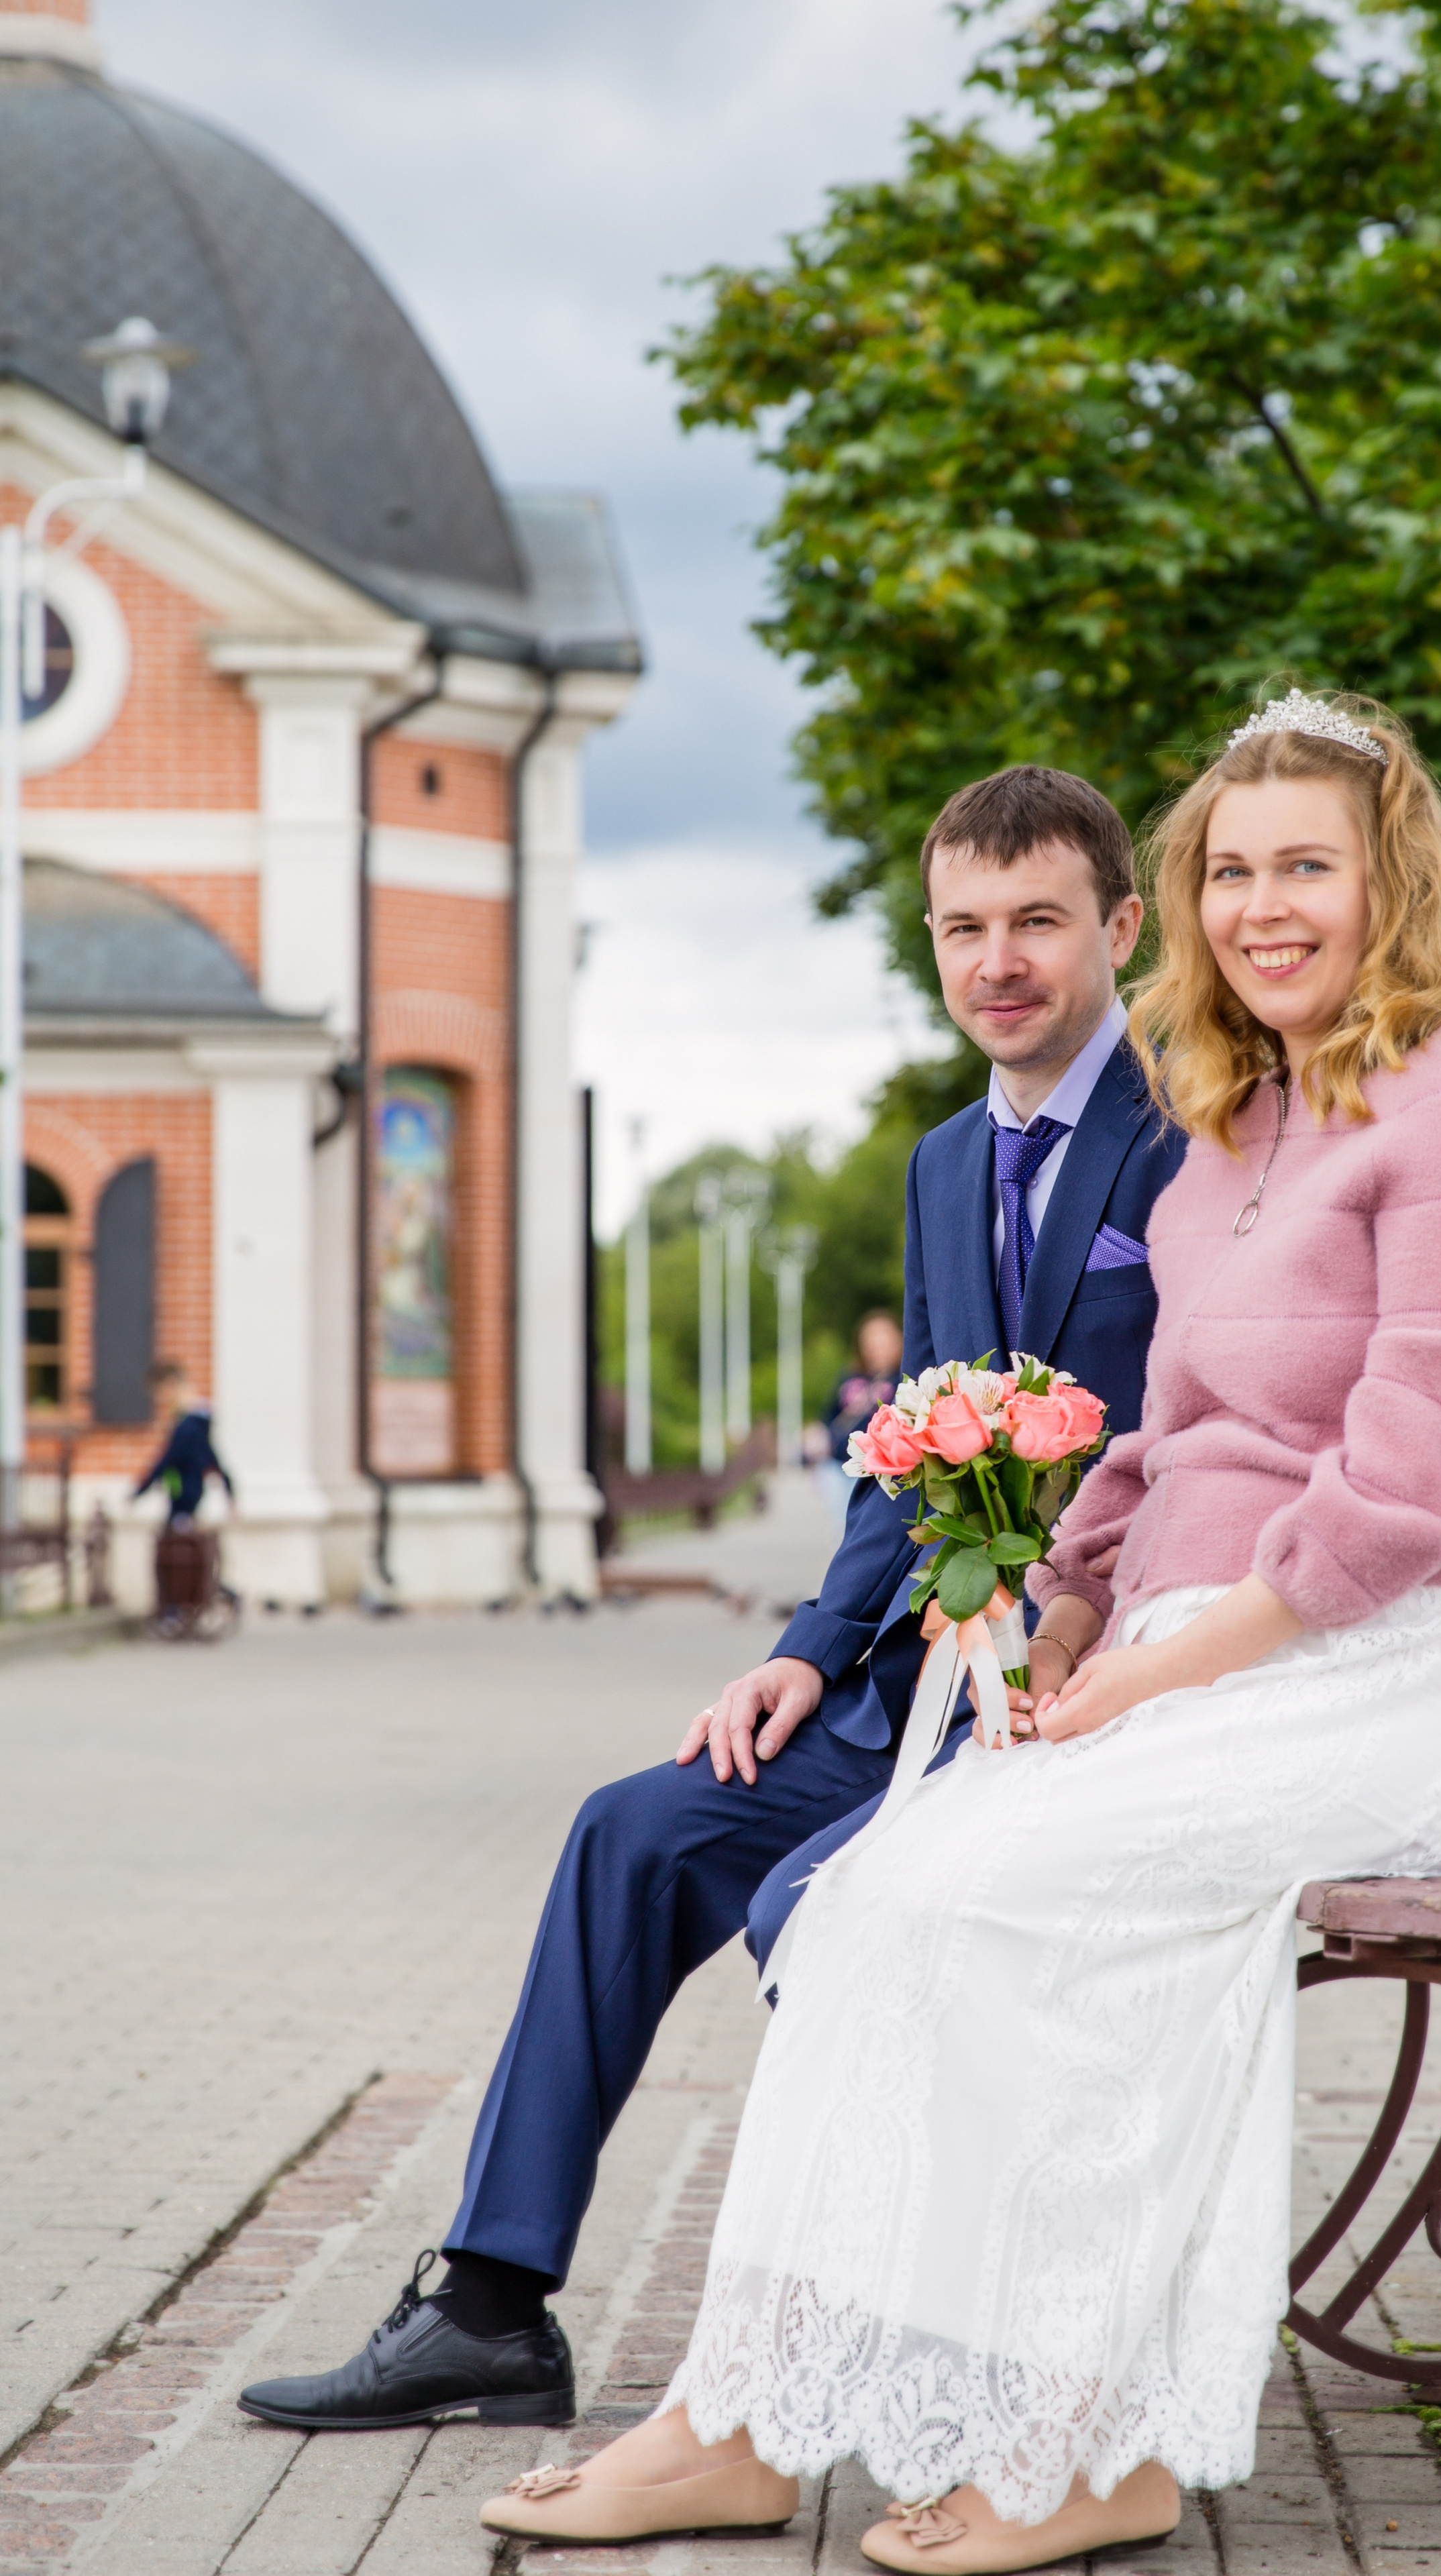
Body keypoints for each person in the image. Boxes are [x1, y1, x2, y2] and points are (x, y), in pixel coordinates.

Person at [479, 689, 1441, 2565]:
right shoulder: (1242, 1129)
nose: (1263, 907)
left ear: (1399, 884)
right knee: (874, 1903)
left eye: (1306, 866)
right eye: (1231, 870)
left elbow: (1406, 1505)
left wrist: (1145, 1669)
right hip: (1230, 1653)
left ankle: (1095, 2444)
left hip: (1422, 1670)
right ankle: (745, 2417)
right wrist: (1070, 1603)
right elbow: (1156, 1438)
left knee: (1002, 1896)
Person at [237, 762, 1187, 2437]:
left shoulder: (1197, 1139)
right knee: (633, 1828)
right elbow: (913, 1461)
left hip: (1091, 1695)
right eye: (963, 927)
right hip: (908, 1688)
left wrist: (1081, 1619)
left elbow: (1213, 1432)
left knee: (811, 1909)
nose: (999, 960)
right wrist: (803, 1655)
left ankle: (895, 2336)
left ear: (1119, 924)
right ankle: (488, 2301)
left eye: (1036, 919)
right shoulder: (940, 1158)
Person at [815, 1311, 906, 1532]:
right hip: (839, 1464)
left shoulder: (903, 1379)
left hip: (877, 1469)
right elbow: (829, 1415)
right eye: (871, 1342)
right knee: (842, 1528)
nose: (877, 1348)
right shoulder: (850, 1375)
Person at [134, 1364, 232, 1526]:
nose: (161, 1400)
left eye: (160, 1393)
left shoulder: (189, 1424)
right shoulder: (191, 1421)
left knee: (178, 1541)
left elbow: (170, 1457)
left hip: (185, 1492)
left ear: (170, 1385)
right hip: (182, 1489)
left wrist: (142, 1489)